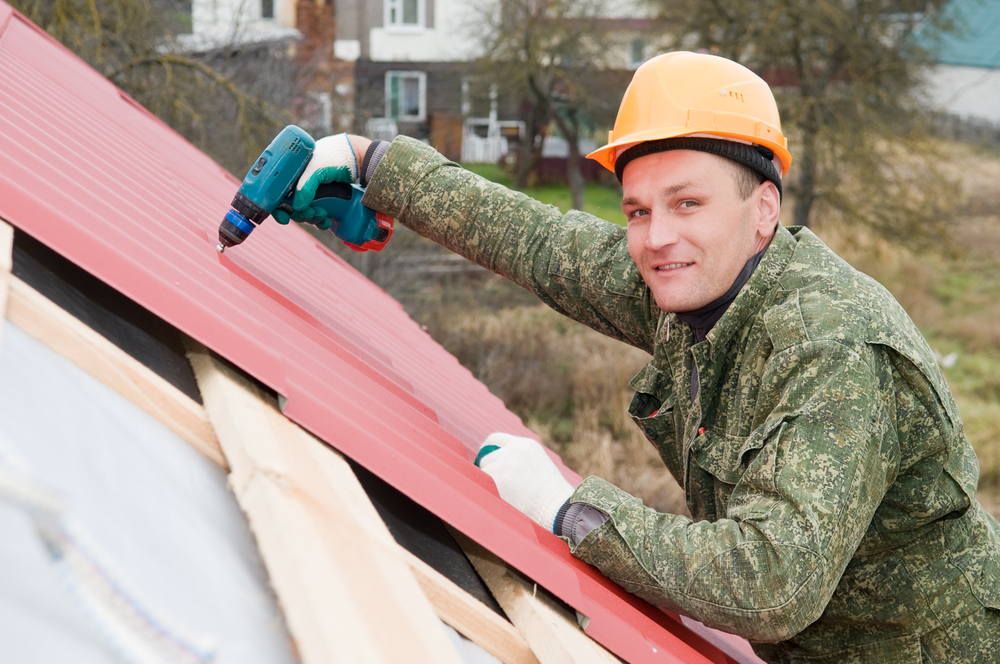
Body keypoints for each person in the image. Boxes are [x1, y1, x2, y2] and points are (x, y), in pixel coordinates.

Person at [285, 52, 1000, 663]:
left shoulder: (830, 348)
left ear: (763, 211)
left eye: (687, 203)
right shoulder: (696, 286)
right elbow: (540, 244)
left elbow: (771, 582)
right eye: (637, 210)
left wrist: (567, 509)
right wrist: (370, 160)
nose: (657, 237)